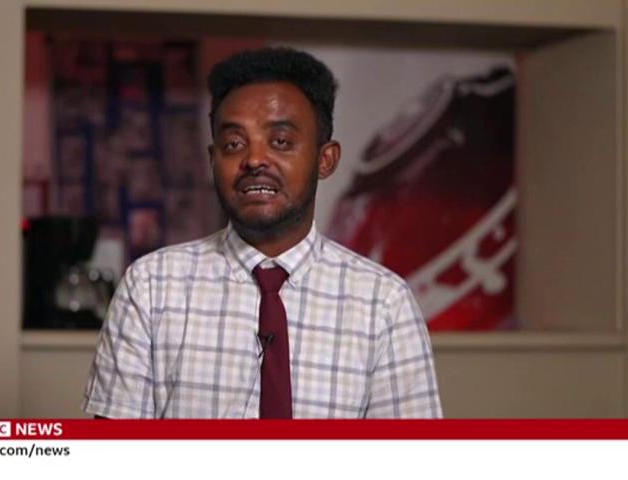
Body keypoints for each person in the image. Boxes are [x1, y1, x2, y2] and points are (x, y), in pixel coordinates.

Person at [83, 47, 442, 418]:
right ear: (213, 160)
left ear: (325, 159)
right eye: (234, 144)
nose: (254, 160)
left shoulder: (384, 304)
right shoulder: (151, 288)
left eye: (281, 141)